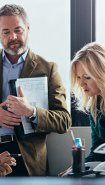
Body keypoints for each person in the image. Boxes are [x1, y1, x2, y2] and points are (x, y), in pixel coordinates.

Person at [0, 4, 71, 176]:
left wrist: (31, 111)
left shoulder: (48, 69)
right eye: (6, 32)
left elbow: (64, 120)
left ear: (28, 28)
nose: (13, 37)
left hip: (29, 159)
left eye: (18, 30)